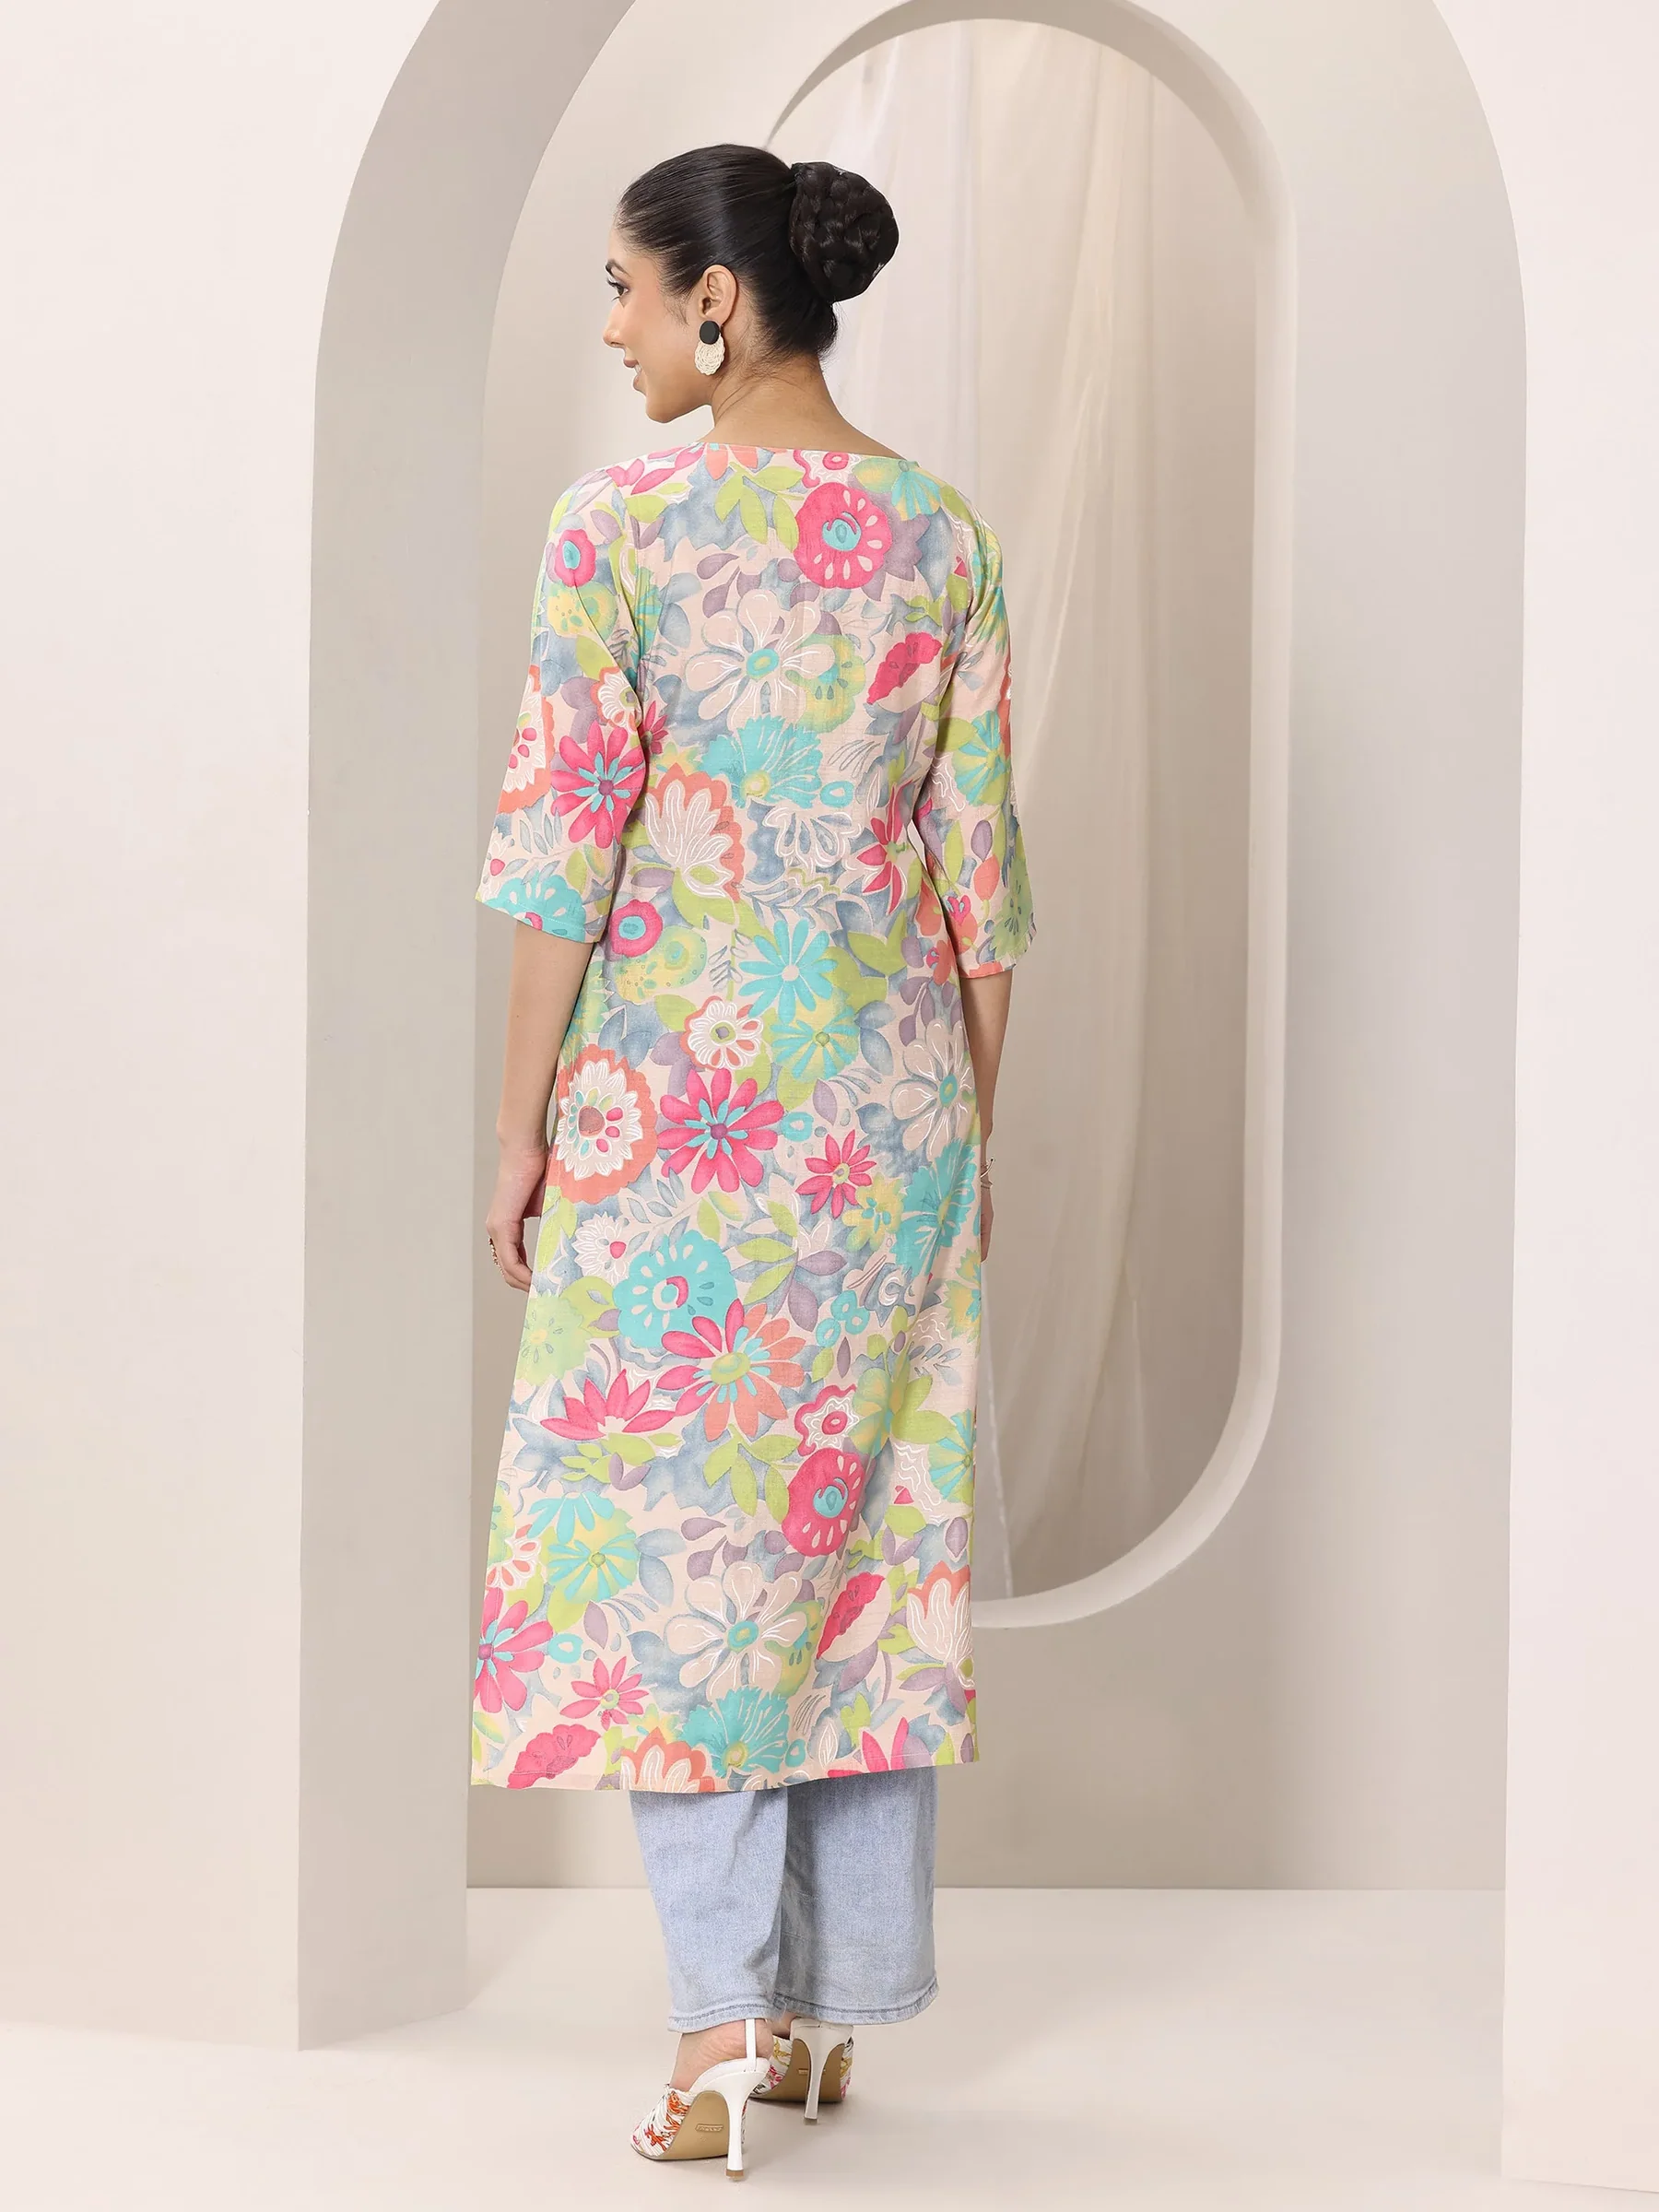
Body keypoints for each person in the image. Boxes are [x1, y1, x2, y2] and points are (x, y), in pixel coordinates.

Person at [474, 142, 1036, 2177]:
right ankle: (820, 2019)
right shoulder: (939, 533)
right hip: (888, 1124)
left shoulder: (619, 526)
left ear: (717, 301)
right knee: (852, 1554)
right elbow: (983, 890)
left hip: (672, 1125)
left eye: (627, 291)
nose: (612, 331)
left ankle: (718, 2020)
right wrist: (967, 1144)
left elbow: (561, 856)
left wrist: (521, 1127)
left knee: (676, 1567)